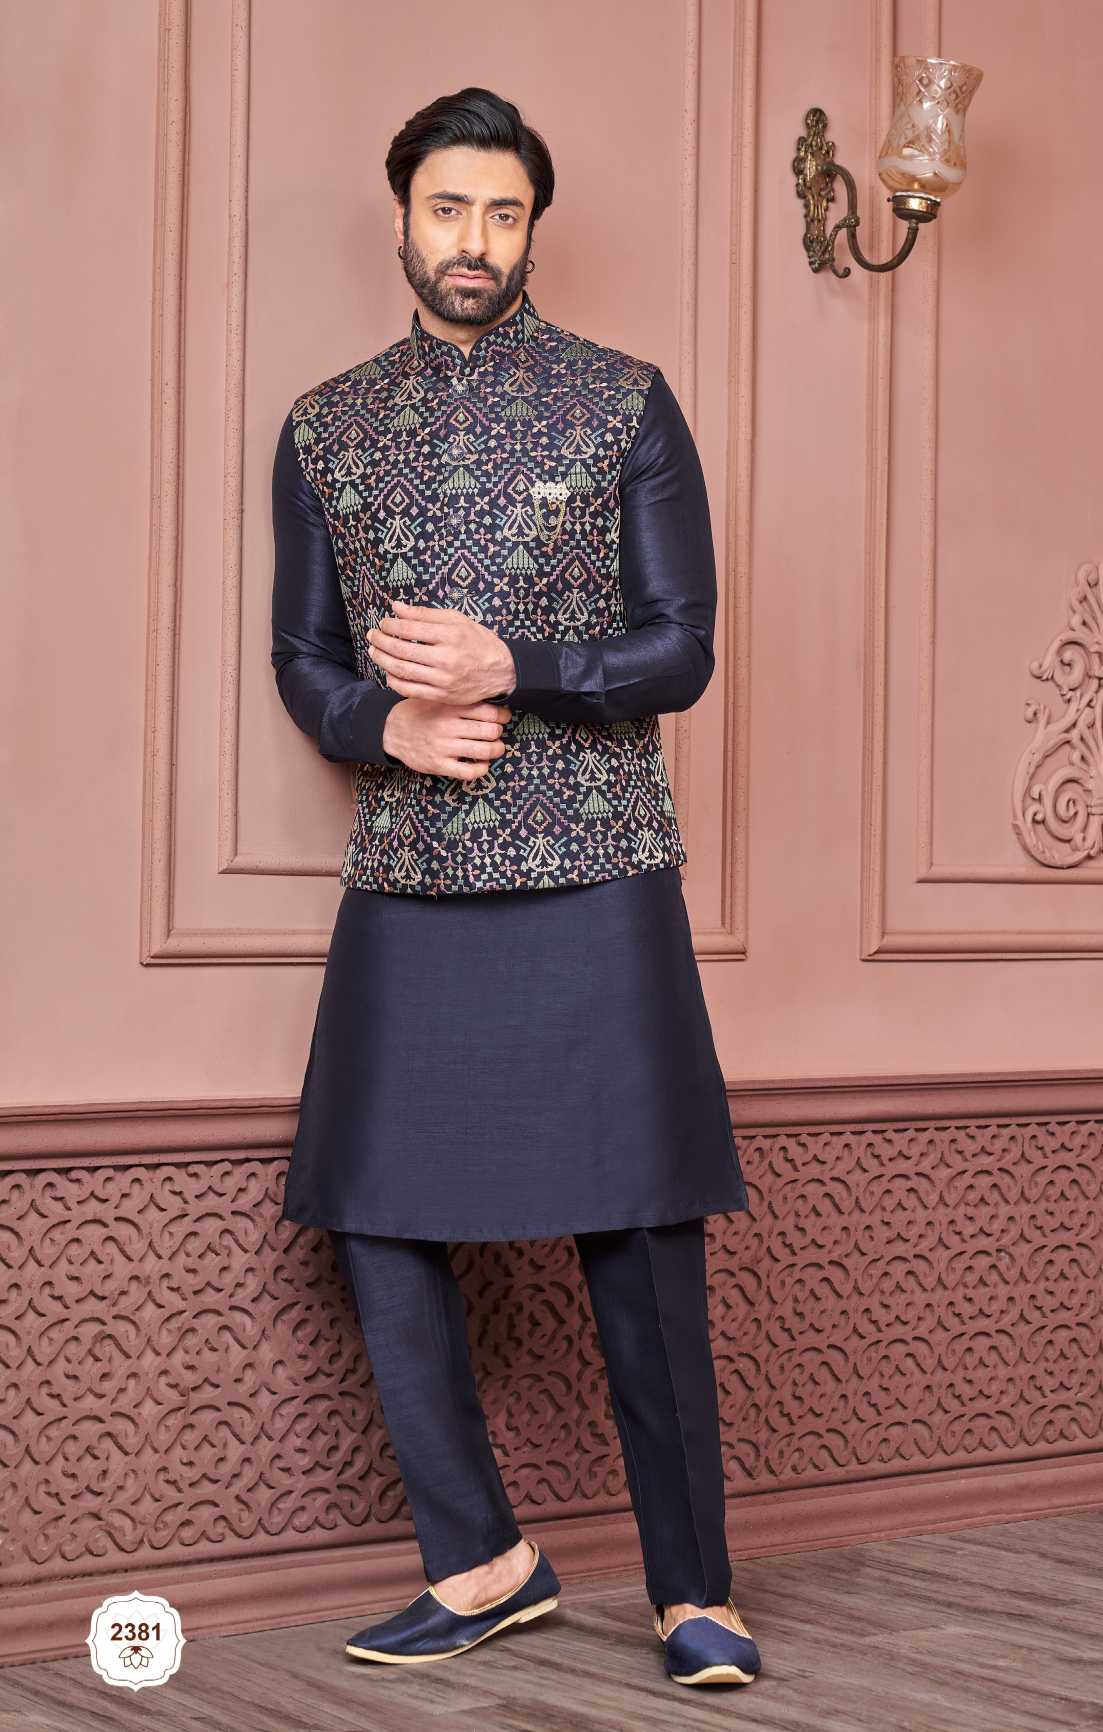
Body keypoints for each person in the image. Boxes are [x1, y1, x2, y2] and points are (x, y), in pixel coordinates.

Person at [269, 85, 761, 1689]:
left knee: (640, 1226)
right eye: (447, 210)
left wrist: (515, 666)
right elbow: (302, 657)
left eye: (502, 212)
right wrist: (388, 725)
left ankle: (693, 1592)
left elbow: (680, 650)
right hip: (411, 869)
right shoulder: (326, 426)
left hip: (597, 867)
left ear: (533, 227)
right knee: (373, 1208)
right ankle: (482, 1562)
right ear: (401, 219)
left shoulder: (625, 404)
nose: (473, 241)